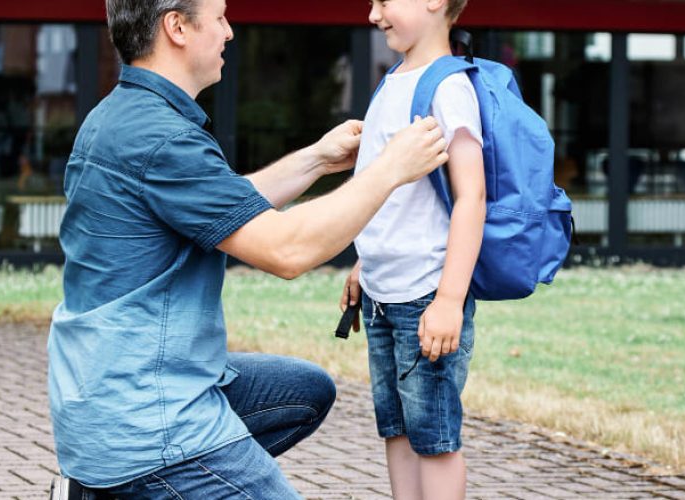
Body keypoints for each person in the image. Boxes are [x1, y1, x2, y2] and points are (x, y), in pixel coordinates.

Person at [46, 0, 450, 497]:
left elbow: (225, 206)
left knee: (305, 391)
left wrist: (317, 160)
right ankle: (139, 484)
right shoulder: (161, 139)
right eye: (219, 17)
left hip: (98, 399)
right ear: (177, 27)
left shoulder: (119, 116)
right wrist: (390, 170)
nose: (229, 32)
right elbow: (287, 251)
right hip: (149, 422)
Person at [338, 0, 485, 499]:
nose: (373, 14)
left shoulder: (448, 87)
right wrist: (365, 261)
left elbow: (471, 197)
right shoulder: (392, 82)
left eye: (384, 1)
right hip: (383, 294)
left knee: (434, 438)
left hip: (425, 294)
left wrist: (449, 300)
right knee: (397, 429)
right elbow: (396, 193)